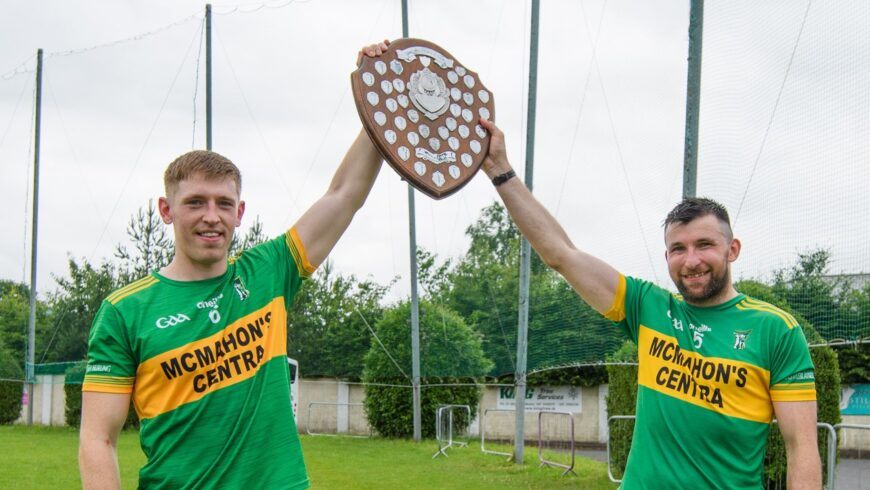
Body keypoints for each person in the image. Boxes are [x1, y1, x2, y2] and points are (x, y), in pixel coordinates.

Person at [78, 42, 390, 490]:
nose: (212, 215)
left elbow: (344, 196)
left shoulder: (269, 270)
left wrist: (375, 101)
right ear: (166, 210)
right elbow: (97, 438)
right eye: (195, 203)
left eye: (225, 203)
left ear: (240, 212)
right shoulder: (124, 311)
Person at [477, 118, 821, 489]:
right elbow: (561, 254)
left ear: (732, 249)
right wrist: (499, 169)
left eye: (704, 245)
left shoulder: (776, 330)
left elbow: (801, 448)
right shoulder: (649, 307)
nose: (691, 260)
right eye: (678, 249)